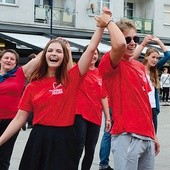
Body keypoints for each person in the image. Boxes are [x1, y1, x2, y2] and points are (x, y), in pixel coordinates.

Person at [0, 13, 108, 169]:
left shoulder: (71, 79)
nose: (54, 54)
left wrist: (100, 27)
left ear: (64, 57)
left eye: (59, 51)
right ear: (44, 55)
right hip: (38, 139)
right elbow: (19, 119)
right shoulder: (33, 86)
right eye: (50, 50)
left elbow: (90, 50)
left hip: (64, 139)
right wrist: (1, 140)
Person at [97, 16, 160, 170]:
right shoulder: (111, 63)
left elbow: (146, 105)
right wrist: (109, 22)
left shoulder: (139, 66)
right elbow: (119, 45)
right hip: (127, 134)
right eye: (128, 38)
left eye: (135, 38)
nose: (132, 42)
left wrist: (154, 136)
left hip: (147, 137)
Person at [0, 49, 41, 170]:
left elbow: (38, 59)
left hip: (11, 122)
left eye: (12, 59)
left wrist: (53, 44)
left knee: (4, 156)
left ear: (16, 63)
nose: (9, 60)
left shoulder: (19, 73)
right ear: (0, 60)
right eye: (6, 58)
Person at [74, 45, 112, 170]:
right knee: (78, 146)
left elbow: (103, 96)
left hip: (95, 115)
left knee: (90, 149)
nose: (93, 55)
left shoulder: (100, 73)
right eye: (91, 53)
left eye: (96, 53)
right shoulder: (79, 70)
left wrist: (107, 118)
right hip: (80, 113)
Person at [133, 35, 170, 132]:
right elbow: (131, 59)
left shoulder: (155, 69)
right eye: (153, 57)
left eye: (157, 58)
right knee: (140, 136)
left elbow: (167, 55)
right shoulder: (137, 68)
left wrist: (158, 41)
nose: (155, 60)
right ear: (146, 57)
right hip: (140, 108)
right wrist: (143, 43)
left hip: (152, 108)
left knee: (153, 136)